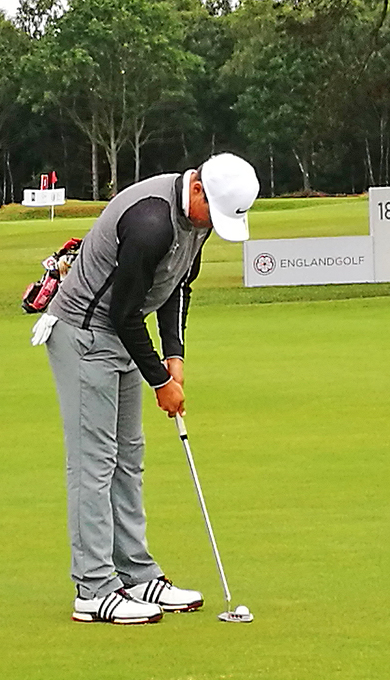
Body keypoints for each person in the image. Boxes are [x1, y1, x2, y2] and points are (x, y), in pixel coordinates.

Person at [30, 153, 260, 625]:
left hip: (119, 335)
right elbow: (123, 312)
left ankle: (135, 573)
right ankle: (94, 588)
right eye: (212, 213)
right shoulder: (151, 222)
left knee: (128, 456)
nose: (210, 225)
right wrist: (160, 381)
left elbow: (177, 287)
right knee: (94, 462)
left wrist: (175, 356)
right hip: (83, 333)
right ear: (197, 188)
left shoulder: (198, 220)